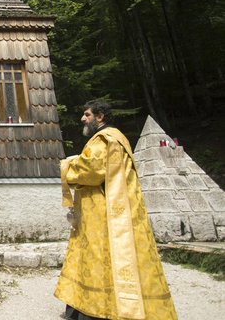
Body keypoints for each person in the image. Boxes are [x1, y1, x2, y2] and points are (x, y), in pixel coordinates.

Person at [55, 100, 177, 320]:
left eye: (87, 115)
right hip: (115, 209)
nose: (83, 119)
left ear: (100, 117)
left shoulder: (105, 139)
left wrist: (66, 166)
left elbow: (91, 170)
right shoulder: (118, 139)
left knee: (99, 258)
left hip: (104, 214)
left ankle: (100, 309)